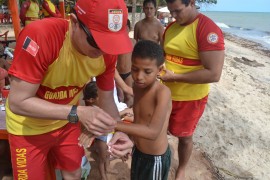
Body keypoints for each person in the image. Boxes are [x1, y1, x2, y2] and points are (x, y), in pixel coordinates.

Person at [6, 0, 134, 179]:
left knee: (74, 173)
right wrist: (77, 112)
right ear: (74, 22)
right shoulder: (42, 36)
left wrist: (118, 130)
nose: (104, 51)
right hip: (28, 128)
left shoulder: (106, 53)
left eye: (110, 43)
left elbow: (106, 100)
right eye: (96, 41)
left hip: (67, 123)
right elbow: (18, 102)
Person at [158, 0, 225, 179]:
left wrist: (176, 77)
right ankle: (162, 159)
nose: (174, 15)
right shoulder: (171, 27)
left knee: (184, 136)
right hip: (165, 93)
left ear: (192, 3)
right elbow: (163, 55)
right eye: (171, 11)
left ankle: (181, 169)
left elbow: (214, 74)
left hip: (190, 98)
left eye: (178, 11)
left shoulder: (206, 29)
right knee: (160, 129)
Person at [115, 40, 172, 180]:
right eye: (134, 69)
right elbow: (140, 119)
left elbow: (152, 132)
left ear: (159, 70)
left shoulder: (162, 93)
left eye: (147, 71)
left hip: (155, 158)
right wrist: (131, 142)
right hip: (138, 151)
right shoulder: (137, 87)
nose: (139, 76)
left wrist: (113, 124)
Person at [116, 19, 136, 107]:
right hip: (118, 73)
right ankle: (122, 112)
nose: (124, 31)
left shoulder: (133, 42)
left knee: (129, 96)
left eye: (126, 28)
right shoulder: (116, 42)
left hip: (129, 73)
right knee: (120, 96)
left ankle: (127, 112)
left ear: (129, 28)